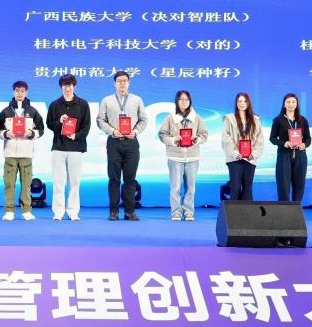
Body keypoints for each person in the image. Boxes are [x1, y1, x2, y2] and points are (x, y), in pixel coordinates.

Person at [97, 71, 148, 220]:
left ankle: (129, 211)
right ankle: (113, 211)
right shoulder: (107, 100)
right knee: (114, 178)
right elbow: (100, 120)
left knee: (130, 179)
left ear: (129, 83)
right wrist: (112, 131)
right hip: (114, 142)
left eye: (125, 81)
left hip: (131, 142)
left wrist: (135, 131)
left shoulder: (137, 100)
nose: (122, 84)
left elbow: (143, 120)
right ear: (114, 83)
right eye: (119, 81)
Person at [0, 80, 45, 222]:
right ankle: (9, 211)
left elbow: (41, 130)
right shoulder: (6, 111)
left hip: (26, 152)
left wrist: (31, 133)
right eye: (17, 91)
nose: (19, 93)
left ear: (26, 93)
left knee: (26, 184)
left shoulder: (33, 111)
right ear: (13, 92)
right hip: (10, 153)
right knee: (9, 184)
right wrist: (5, 134)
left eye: (22, 91)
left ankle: (26, 211)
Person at [46, 73, 92, 221]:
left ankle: (73, 212)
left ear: (74, 86)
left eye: (70, 85)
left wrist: (76, 135)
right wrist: (59, 122)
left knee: (74, 182)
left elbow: (86, 126)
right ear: (61, 87)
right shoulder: (54, 104)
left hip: (76, 148)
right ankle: (58, 212)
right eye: (65, 85)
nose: (67, 88)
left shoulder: (83, 104)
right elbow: (49, 124)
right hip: (58, 148)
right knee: (58, 183)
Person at [158, 89, 209, 220]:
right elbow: (162, 134)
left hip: (192, 156)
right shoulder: (170, 118)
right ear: (177, 101)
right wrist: (173, 140)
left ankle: (188, 211)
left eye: (186, 99)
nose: (184, 102)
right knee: (175, 186)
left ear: (190, 101)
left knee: (190, 187)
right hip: (175, 156)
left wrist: (197, 139)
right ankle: (176, 211)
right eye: (181, 99)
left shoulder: (197, 118)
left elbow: (204, 134)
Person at [220, 92, 265, 201]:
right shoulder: (229, 119)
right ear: (236, 103)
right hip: (234, 158)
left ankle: (247, 212)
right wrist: (235, 153)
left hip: (250, 159)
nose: (242, 103)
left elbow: (260, 140)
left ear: (248, 103)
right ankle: (234, 212)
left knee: (247, 188)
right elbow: (225, 138)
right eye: (240, 101)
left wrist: (254, 154)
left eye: (245, 101)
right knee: (235, 187)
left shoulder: (255, 119)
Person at [269, 93, 312, 202]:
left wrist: (304, 145)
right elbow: (272, 138)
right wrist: (284, 143)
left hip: (300, 155)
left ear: (297, 104)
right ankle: (284, 209)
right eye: (288, 102)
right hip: (284, 155)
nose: (291, 104)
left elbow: (308, 138)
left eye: (293, 102)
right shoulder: (278, 120)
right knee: (283, 184)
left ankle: (296, 208)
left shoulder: (303, 120)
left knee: (299, 184)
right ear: (284, 104)